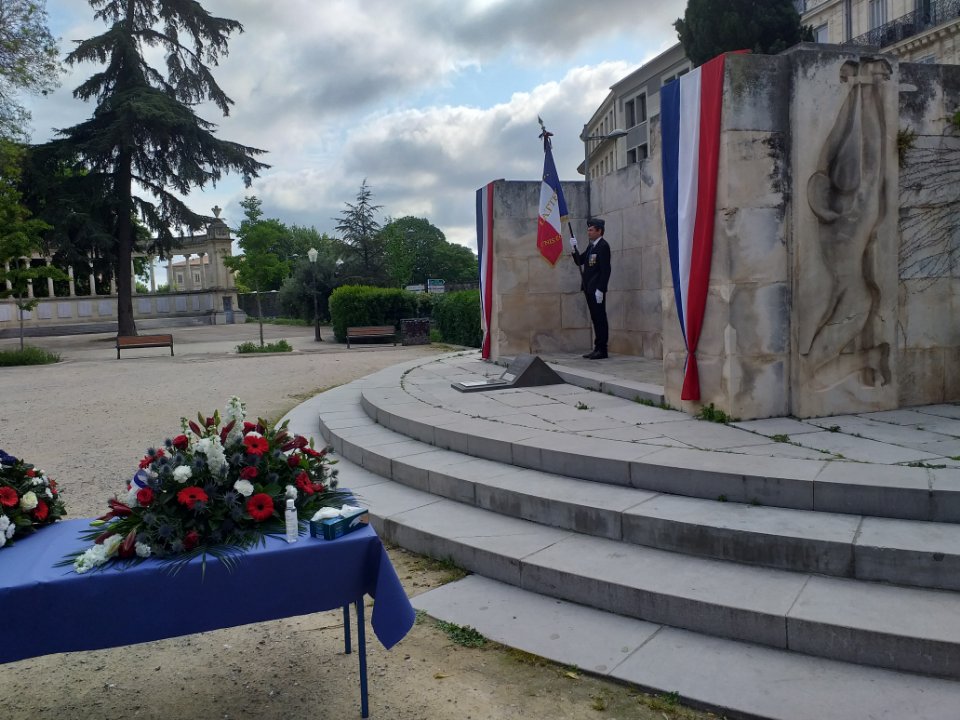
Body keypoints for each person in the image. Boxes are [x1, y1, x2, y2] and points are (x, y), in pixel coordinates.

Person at [569, 218, 611, 359]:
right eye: (588, 230)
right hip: (588, 288)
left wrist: (601, 289)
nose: (589, 232)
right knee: (595, 318)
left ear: (599, 231)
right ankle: (597, 347)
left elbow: (606, 270)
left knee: (600, 319)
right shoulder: (591, 246)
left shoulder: (603, 246)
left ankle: (602, 349)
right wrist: (574, 249)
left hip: (596, 289)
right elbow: (579, 261)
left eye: (591, 230)